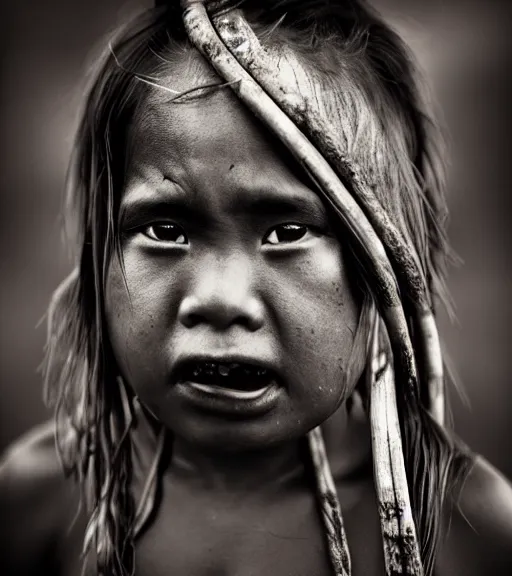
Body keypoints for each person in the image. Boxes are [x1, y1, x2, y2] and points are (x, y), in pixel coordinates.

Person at [1, 1, 511, 574]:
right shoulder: (41, 500)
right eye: (165, 230)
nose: (220, 299)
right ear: (100, 253)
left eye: (287, 232)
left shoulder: (464, 529)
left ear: (385, 263)